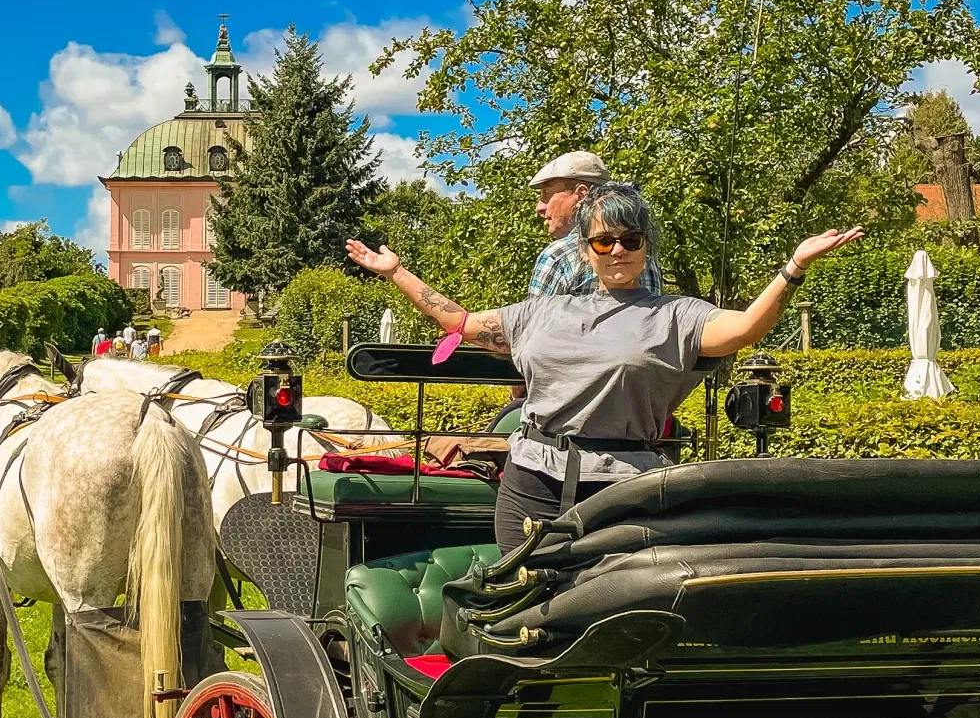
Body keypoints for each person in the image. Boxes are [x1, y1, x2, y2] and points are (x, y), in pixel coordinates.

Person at [348, 182, 861, 551]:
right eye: (603, 241)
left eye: (630, 240)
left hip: (626, 486)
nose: (616, 250)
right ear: (585, 250)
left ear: (644, 248)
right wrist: (397, 273)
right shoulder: (538, 313)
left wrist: (793, 268)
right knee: (522, 611)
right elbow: (457, 321)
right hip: (533, 483)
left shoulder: (678, 316)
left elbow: (747, 328)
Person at [527, 150, 663, 296]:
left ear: (581, 195)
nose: (539, 207)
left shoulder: (558, 255)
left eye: (547, 195)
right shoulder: (641, 251)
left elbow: (534, 317)